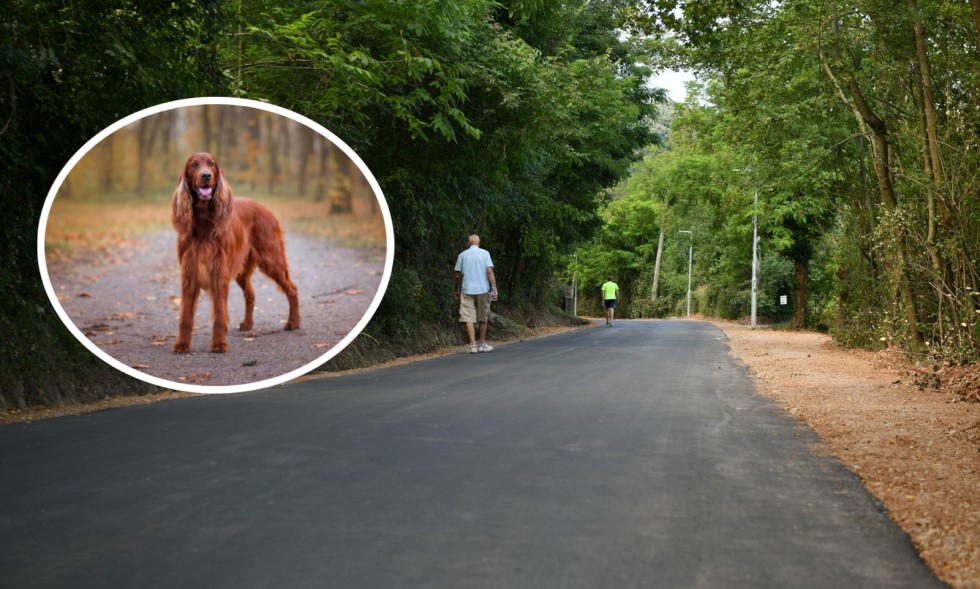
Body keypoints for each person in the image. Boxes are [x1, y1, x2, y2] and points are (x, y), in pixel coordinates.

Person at [454, 234, 498, 353]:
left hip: (467, 290)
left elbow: (457, 275)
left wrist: (456, 289)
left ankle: (473, 345)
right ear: (479, 243)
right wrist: (494, 288)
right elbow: (489, 271)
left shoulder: (462, 255)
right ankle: (482, 343)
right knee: (483, 317)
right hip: (483, 289)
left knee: (468, 317)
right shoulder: (485, 253)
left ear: (468, 243)